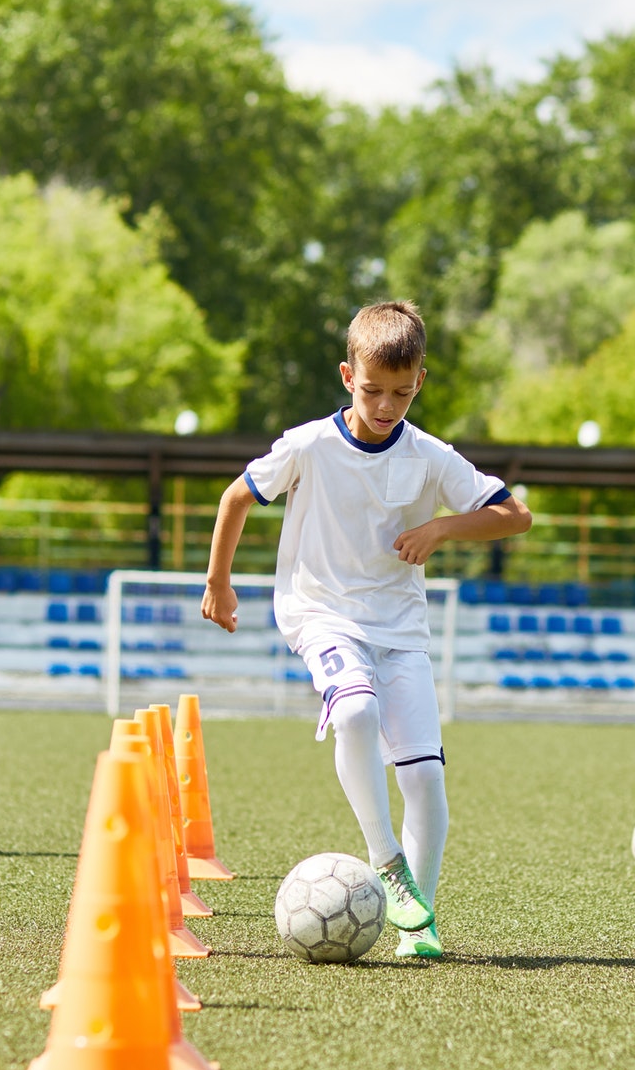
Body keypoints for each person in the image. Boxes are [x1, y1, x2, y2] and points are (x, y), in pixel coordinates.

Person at [201, 300, 531, 959]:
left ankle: (420, 922)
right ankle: (386, 862)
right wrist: (219, 581)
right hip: (320, 611)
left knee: (426, 783)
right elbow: (236, 496)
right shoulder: (311, 445)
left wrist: (442, 526)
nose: (386, 406)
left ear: (421, 383)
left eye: (402, 394)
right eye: (374, 390)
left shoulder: (432, 457)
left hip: (401, 629)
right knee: (353, 712)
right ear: (348, 374)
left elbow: (514, 515)